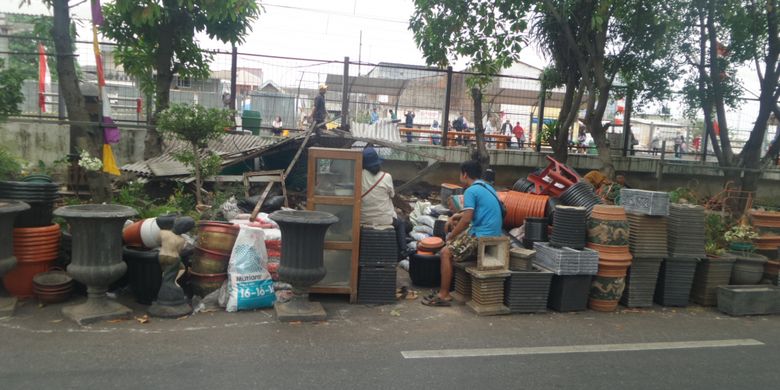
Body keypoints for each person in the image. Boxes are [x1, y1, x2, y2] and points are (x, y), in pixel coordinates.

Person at [422, 160, 503, 307]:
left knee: (445, 252)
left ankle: (444, 294)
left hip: (482, 236)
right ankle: (450, 286)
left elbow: (466, 220)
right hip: (494, 233)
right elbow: (472, 214)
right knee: (455, 240)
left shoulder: (471, 191)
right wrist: (454, 217)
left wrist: (451, 236)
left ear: (464, 174)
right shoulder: (487, 187)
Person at [360, 147, 406, 259]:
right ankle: (403, 251)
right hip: (385, 219)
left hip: (363, 219)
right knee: (401, 223)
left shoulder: (358, 176)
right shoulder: (386, 177)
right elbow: (392, 195)